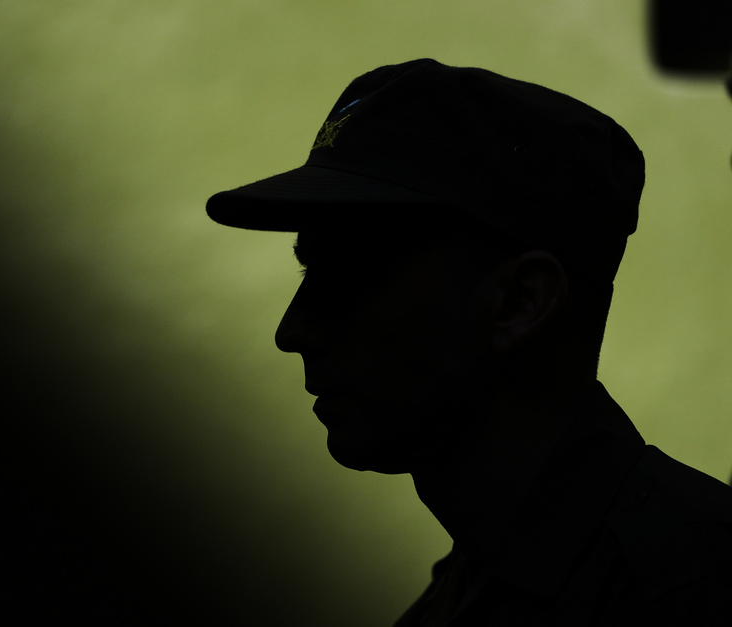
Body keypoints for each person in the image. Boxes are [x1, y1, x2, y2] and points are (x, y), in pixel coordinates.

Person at [206, 59, 732, 626]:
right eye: (310, 275)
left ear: (520, 301)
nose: (292, 331)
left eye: (348, 276)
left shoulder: (694, 591)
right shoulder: (463, 598)